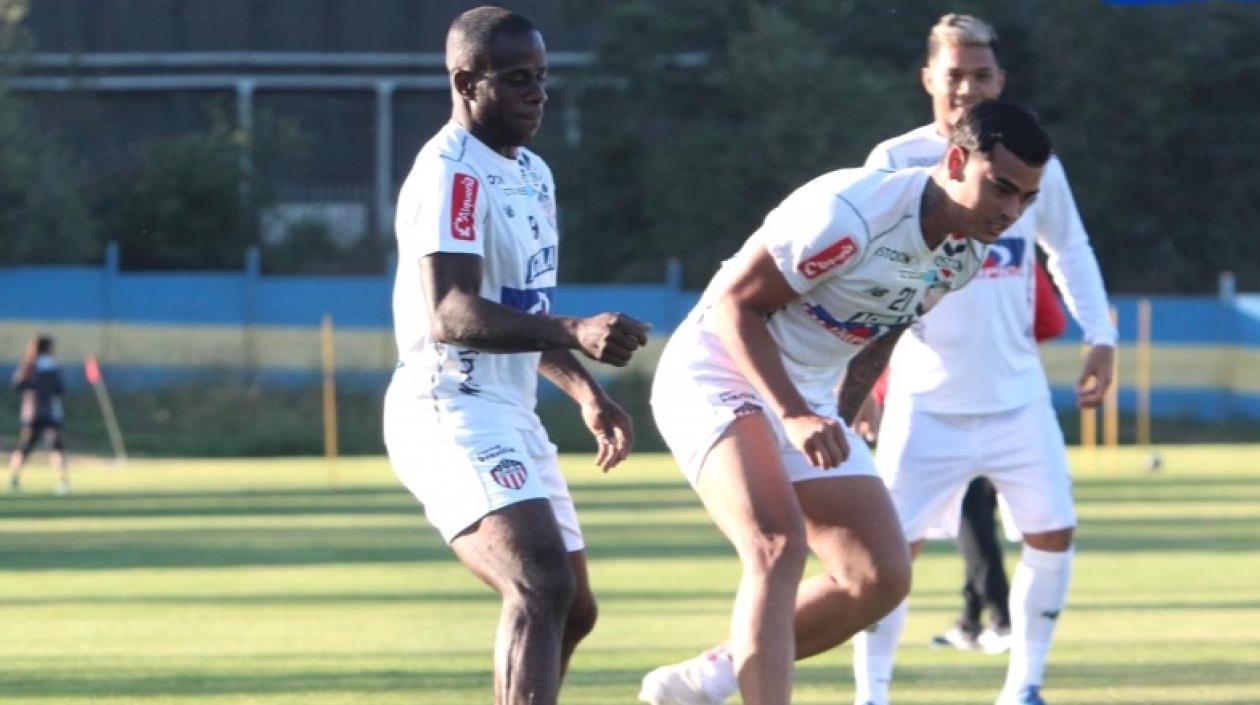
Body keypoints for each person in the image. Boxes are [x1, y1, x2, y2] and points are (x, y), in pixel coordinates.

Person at [639, 99, 1053, 705]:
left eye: (1027, 199)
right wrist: (796, 414)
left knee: (879, 577)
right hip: (715, 373)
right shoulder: (852, 212)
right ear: (957, 159)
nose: (1012, 211)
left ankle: (710, 679)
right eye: (1002, 188)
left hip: (803, 396)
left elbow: (884, 327)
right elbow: (736, 306)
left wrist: (842, 408)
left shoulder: (964, 253)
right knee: (776, 547)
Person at [382, 7, 650, 705]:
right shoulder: (451, 175)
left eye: (542, 78)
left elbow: (521, 313)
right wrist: (575, 329)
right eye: (517, 79)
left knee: (575, 607)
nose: (538, 94)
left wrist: (586, 391)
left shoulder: (532, 174)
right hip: (448, 407)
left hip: (508, 410)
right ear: (467, 81)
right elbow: (451, 312)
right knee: (540, 582)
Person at [851, 14, 1117, 705]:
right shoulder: (894, 161)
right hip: (921, 402)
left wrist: (1102, 335)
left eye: (981, 74)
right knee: (885, 561)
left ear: (1001, 80)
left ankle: (1024, 686)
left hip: (1017, 398)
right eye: (953, 73)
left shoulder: (1034, 165)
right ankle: (872, 695)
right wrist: (855, 389)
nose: (966, 87)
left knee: (1053, 533)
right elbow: (858, 278)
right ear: (927, 79)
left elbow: (1072, 248)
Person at [8, 335, 70, 495]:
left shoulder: (28, 366)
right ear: (48, 348)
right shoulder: (53, 367)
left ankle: (14, 477)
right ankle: (63, 481)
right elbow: (61, 389)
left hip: (31, 412)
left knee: (25, 446)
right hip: (50, 411)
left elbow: (17, 385)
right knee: (56, 446)